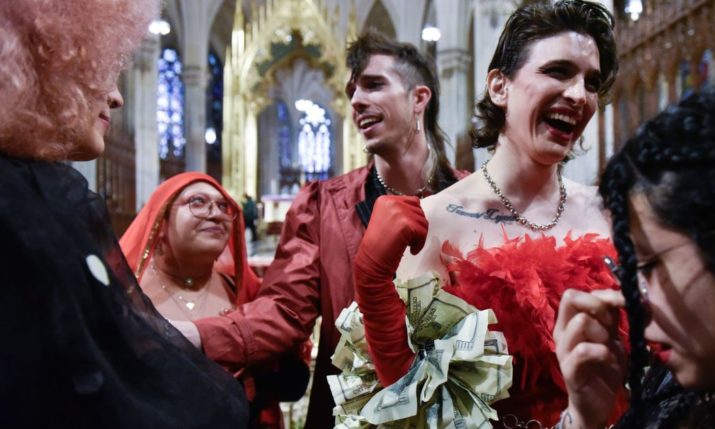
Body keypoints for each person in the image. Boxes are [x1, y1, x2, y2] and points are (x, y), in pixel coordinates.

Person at [346, 1, 628, 427]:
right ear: (499, 87)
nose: (578, 95)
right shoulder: (438, 221)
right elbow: (407, 406)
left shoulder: (608, 212)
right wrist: (372, 287)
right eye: (557, 71)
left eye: (591, 81)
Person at [169, 32, 466, 428]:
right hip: (349, 415)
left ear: (419, 99)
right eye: (352, 90)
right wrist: (188, 336)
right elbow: (283, 310)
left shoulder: (472, 200)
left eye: (374, 85)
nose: (357, 100)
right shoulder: (323, 206)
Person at [0, 1, 248, 428]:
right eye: (100, 68)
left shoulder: (35, 190)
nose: (116, 96)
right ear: (44, 59)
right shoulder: (22, 212)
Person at [554, 80, 715, 428]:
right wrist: (584, 416)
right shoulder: (682, 394)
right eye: (628, 270)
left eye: (648, 265)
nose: (635, 302)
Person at [119, 172, 307, 428]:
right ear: (160, 223)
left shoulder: (247, 291)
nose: (216, 213)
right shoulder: (124, 294)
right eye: (198, 202)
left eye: (222, 206)